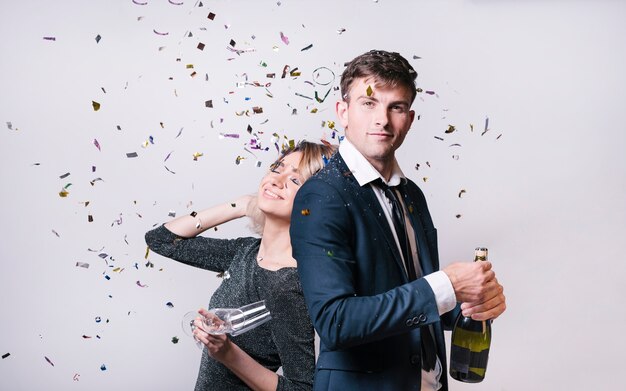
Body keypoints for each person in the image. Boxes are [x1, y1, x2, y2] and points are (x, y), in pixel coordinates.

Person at [290, 50, 507, 391]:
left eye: (397, 107)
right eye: (369, 103)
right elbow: (335, 322)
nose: (383, 120)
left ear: (410, 118)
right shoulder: (322, 197)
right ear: (342, 112)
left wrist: (470, 304)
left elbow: (411, 297)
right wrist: (446, 285)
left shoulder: (411, 195)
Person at [145, 141, 336, 391]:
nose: (277, 181)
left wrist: (227, 353)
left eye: (296, 181)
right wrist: (243, 204)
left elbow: (301, 387)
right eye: (278, 169)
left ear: (316, 204)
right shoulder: (246, 252)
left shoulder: (287, 283)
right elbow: (161, 240)